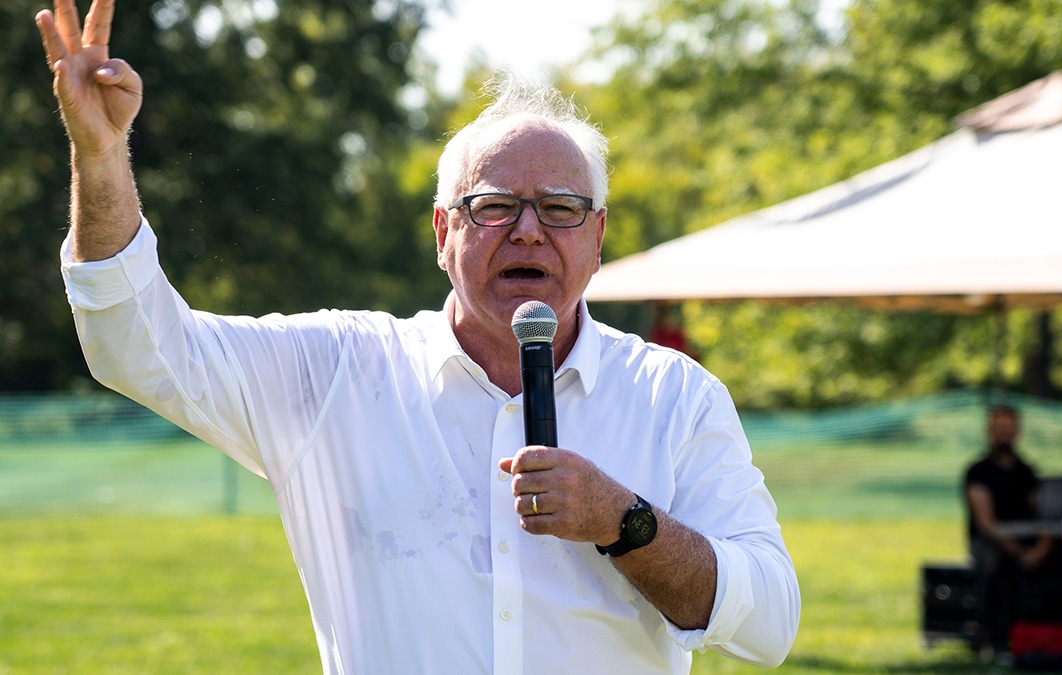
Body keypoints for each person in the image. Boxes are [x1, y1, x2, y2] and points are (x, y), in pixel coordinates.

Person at [36, 0, 801, 672]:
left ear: (596, 238)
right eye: (495, 205)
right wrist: (101, 158)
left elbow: (769, 624)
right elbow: (139, 345)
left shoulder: (674, 397)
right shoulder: (338, 371)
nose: (530, 231)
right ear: (443, 231)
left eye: (562, 209)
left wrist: (623, 520)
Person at [963, 405, 1053, 656]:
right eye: (1000, 428)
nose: (1005, 434)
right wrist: (1019, 553)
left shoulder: (1027, 472)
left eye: (1010, 428)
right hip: (993, 541)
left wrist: (1042, 548)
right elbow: (987, 524)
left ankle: (1051, 635)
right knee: (995, 562)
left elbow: (1044, 514)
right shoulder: (978, 472)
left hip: (1029, 540)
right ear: (989, 431)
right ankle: (996, 639)